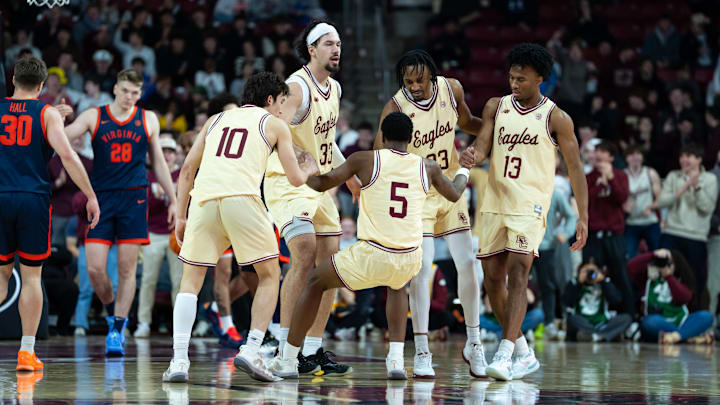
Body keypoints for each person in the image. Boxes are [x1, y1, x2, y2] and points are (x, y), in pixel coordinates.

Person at [271, 112, 475, 380]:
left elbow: (321, 184)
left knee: (315, 281)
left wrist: (306, 169)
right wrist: (464, 168)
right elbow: (456, 193)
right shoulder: (429, 167)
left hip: (373, 252)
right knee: (397, 286)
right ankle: (396, 361)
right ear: (410, 138)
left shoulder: (365, 159)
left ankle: (287, 359)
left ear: (383, 137)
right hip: (409, 255)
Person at [163, 71, 317, 383]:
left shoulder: (215, 120)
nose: (282, 109)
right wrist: (310, 168)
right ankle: (252, 349)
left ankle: (178, 361)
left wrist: (181, 216)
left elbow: (188, 169)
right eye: (281, 102)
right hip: (242, 199)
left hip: (204, 201)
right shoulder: (274, 124)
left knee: (190, 283)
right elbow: (295, 179)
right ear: (270, 99)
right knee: (270, 275)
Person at [471, 43, 589, 381]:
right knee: (492, 279)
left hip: (530, 205)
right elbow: (482, 144)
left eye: (521, 79)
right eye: (511, 77)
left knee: (518, 273)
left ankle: (505, 353)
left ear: (540, 79)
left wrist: (583, 216)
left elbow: (576, 169)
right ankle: (523, 352)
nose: (514, 84)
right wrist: (473, 154)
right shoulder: (496, 106)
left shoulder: (556, 118)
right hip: (495, 202)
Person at [375, 49, 485, 378]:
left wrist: (493, 134)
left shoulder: (452, 89)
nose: (414, 87)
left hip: (449, 187)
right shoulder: (395, 107)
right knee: (422, 269)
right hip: (417, 194)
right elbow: (380, 155)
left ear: (432, 75)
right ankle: (422, 350)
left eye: (419, 80)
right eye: (408, 82)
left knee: (468, 263)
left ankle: (474, 342)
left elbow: (467, 122)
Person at [265, 18, 360, 376]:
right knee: (303, 253)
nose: (337, 50)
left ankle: (312, 349)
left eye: (339, 44)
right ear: (312, 49)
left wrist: (347, 174)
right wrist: (298, 155)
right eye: (329, 44)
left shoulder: (334, 88)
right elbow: (273, 128)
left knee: (330, 267)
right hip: (286, 182)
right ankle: (284, 347)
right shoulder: (297, 87)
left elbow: (326, 141)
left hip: (317, 185)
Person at [64, 69, 177, 356]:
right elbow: (60, 137)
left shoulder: (148, 118)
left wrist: (174, 199)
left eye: (135, 93)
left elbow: (158, 163)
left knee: (127, 270)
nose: (129, 97)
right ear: (115, 89)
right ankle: (113, 309)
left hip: (134, 199)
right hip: (101, 198)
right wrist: (51, 116)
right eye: (125, 90)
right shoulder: (94, 116)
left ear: (140, 94)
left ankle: (116, 330)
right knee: (95, 269)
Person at [0, 56, 100, 371]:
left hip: (1, 196)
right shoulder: (46, 114)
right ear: (42, 85)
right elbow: (67, 155)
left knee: (1, 276)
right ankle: (26, 353)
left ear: (13, 79)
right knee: (31, 277)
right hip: (32, 200)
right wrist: (90, 195)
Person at [657, 143, 718, 310]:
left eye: (688, 156)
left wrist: (696, 187)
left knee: (695, 279)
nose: (684, 160)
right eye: (682, 156)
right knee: (665, 273)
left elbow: (707, 208)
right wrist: (681, 189)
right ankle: (665, 311)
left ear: (699, 159)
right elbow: (661, 202)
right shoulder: (673, 176)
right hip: (671, 232)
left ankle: (694, 314)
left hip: (695, 236)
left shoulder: (710, 179)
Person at [134, 136, 182, 338]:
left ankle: (180, 325)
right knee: (148, 280)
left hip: (177, 233)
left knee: (179, 282)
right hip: (153, 232)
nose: (167, 155)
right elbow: (142, 206)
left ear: (176, 155)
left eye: (170, 151)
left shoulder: (183, 173)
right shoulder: (148, 175)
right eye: (163, 151)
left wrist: (169, 193)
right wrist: (159, 195)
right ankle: (143, 322)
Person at [628, 249, 714, 344]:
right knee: (649, 322)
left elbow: (684, 298)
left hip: (681, 321)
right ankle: (686, 336)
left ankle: (677, 337)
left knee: (706, 316)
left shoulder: (681, 280)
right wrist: (653, 255)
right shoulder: (648, 280)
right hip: (659, 322)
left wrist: (668, 277)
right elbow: (630, 267)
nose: (665, 265)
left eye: (669, 263)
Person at [564, 259, 633, 342]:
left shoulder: (605, 283)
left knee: (626, 318)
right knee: (572, 319)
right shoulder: (574, 283)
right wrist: (578, 283)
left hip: (602, 323)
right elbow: (567, 302)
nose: (589, 274)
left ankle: (594, 336)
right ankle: (604, 335)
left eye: (593, 272)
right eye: (586, 271)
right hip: (583, 321)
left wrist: (603, 282)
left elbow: (616, 300)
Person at [623, 145, 662, 259]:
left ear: (642, 157)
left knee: (658, 255)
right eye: (631, 154)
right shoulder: (622, 175)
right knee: (629, 256)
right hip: (630, 222)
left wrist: (651, 207)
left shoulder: (650, 173)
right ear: (626, 158)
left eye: (638, 154)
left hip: (650, 221)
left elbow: (660, 198)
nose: (635, 157)